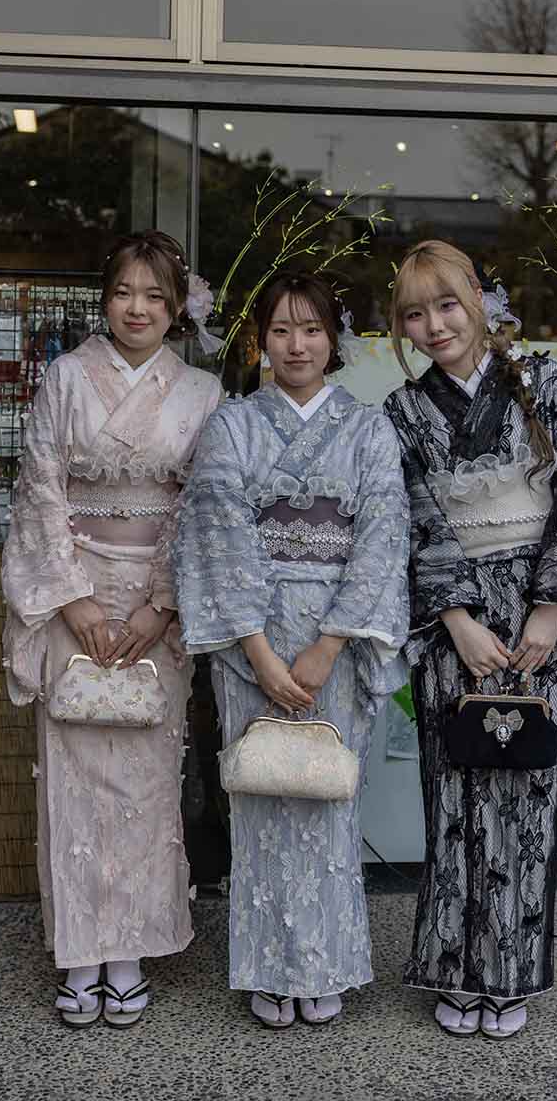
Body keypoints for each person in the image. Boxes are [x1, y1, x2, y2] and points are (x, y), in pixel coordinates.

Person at [383, 240, 557, 1040]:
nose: (435, 325)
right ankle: (456, 969)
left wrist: (550, 609)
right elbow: (412, 521)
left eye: (448, 304)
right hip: (459, 621)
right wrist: (454, 619)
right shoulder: (403, 412)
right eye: (415, 313)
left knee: (526, 789)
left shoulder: (545, 382)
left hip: (540, 612)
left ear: (481, 299)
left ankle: (509, 975)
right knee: (453, 793)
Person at [175, 271, 410, 1029]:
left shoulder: (370, 430)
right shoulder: (232, 426)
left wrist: (330, 643)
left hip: (332, 643)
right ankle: (269, 968)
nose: (297, 344)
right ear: (260, 340)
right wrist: (260, 650)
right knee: (262, 794)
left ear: (334, 340)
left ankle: (327, 962)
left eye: (311, 329)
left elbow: (382, 538)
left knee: (327, 795)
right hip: (254, 640)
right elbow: (217, 533)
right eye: (281, 330)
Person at [1, 231, 221, 1028]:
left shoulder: (200, 392)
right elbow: (38, 488)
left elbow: (202, 507)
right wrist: (73, 600)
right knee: (72, 773)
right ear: (106, 298)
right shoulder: (65, 377)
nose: (138, 308)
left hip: (152, 614)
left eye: (155, 296)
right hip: (77, 600)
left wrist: (162, 604)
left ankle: (129, 950)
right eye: (126, 292)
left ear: (177, 310)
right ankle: (81, 952)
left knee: (145, 780)